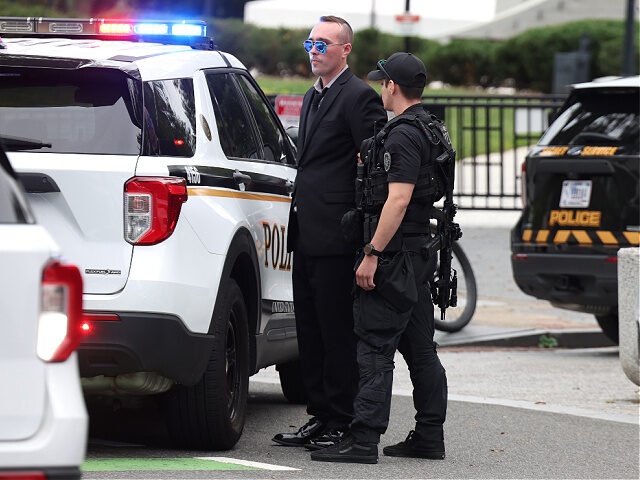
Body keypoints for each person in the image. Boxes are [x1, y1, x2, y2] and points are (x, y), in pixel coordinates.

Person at [311, 53, 450, 464]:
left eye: (382, 82)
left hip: (393, 259)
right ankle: (428, 436)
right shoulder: (431, 127)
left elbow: (399, 197)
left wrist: (372, 253)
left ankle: (363, 441)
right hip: (418, 256)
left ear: (392, 86)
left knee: (373, 349)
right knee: (421, 349)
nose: (380, 88)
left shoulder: (403, 134)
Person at [272, 16, 386, 450]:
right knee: (311, 331)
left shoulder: (358, 97)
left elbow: (376, 166)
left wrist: (365, 232)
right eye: (310, 43)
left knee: (337, 332)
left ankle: (342, 418)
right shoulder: (314, 95)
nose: (314, 50)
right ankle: (320, 416)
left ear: (345, 50)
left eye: (323, 44)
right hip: (307, 231)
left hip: (338, 236)